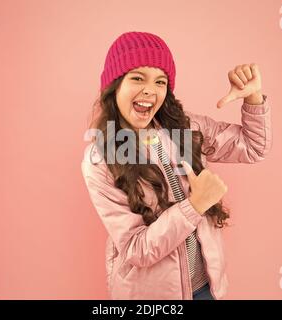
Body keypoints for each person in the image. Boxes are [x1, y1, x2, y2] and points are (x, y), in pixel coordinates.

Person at [81, 31, 272, 300]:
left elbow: (253, 147)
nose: (150, 90)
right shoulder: (99, 160)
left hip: (207, 288)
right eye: (137, 78)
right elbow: (137, 249)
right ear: (115, 86)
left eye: (160, 81)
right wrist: (194, 205)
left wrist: (253, 98)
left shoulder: (185, 128)